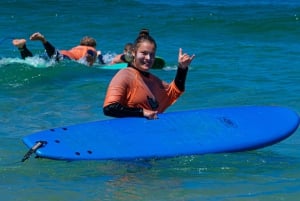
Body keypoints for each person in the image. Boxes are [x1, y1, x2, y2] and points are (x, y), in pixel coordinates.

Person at [103, 29, 195, 119]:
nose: (148, 58)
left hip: (150, 131)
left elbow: (174, 91)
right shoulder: (124, 75)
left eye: (152, 55)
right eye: (144, 53)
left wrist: (182, 68)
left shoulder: (153, 80)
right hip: (129, 132)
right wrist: (142, 112)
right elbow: (110, 108)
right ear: (134, 53)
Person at [12, 32, 105, 66]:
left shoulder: (77, 47)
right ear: (94, 46)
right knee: (55, 57)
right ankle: (43, 40)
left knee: (31, 60)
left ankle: (22, 47)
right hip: (66, 57)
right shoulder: (91, 49)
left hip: (62, 52)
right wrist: (99, 55)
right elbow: (89, 54)